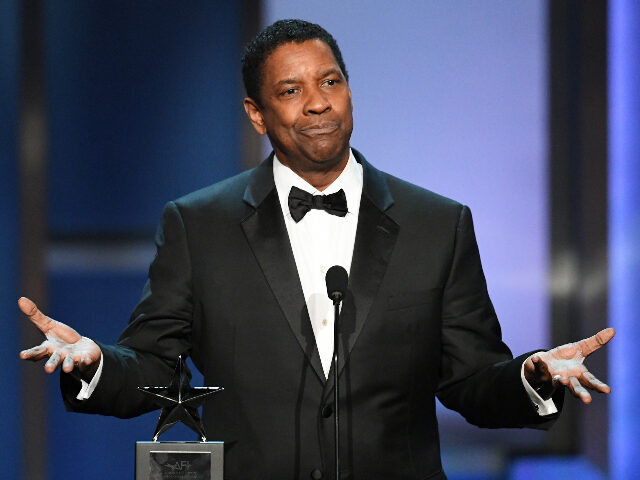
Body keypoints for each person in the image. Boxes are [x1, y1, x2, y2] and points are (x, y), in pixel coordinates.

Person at [19, 19, 614, 480]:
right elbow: (152, 366)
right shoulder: (199, 225)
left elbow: (473, 381)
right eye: (290, 89)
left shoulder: (438, 224)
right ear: (257, 114)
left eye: (330, 81)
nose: (318, 103)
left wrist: (534, 375)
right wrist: (96, 362)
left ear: (350, 92)